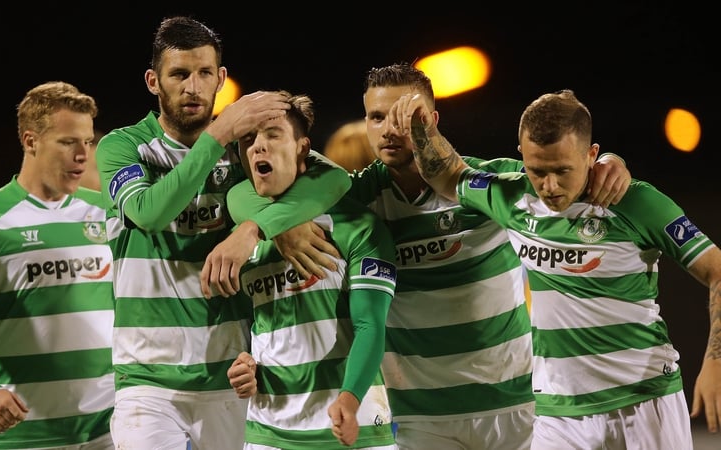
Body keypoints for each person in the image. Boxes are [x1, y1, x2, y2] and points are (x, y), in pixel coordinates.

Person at [227, 63, 631, 449]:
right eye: (377, 117)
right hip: (419, 419)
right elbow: (263, 180)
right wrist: (268, 225)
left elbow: (561, 172)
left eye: (402, 117)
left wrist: (611, 163)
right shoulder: (358, 199)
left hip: (511, 405)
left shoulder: (485, 184)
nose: (389, 130)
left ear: (432, 120)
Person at [407, 88, 721, 449]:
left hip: (644, 401)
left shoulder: (636, 202)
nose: (550, 186)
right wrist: (419, 122)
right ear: (521, 154)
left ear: (591, 155)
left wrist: (715, 363)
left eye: (562, 170)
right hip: (557, 413)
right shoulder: (511, 196)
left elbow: (716, 270)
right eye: (537, 171)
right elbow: (445, 173)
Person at [95, 16, 351, 450]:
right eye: (179, 75)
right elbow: (147, 213)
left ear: (221, 78)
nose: (193, 87)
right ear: (153, 81)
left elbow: (333, 178)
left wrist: (258, 225)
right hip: (147, 378)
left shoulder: (243, 147)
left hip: (235, 373)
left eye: (204, 73)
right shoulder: (124, 146)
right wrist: (216, 135)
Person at [0, 81, 115, 449]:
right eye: (68, 142)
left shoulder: (106, 212)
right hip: (24, 434)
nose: (82, 155)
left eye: (87, 142)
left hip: (109, 431)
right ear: (31, 141)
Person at [225, 90, 397, 449]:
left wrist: (349, 399)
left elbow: (370, 325)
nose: (258, 146)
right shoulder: (240, 237)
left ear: (303, 148)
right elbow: (253, 328)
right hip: (268, 433)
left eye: (273, 135)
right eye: (248, 139)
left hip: (348, 428)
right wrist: (244, 363)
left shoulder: (357, 226)